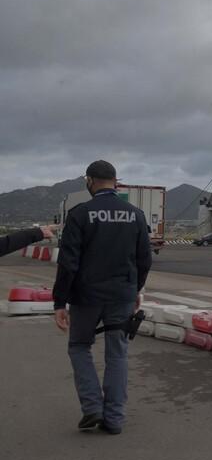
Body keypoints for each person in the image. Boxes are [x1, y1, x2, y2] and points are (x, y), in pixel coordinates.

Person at [53, 160, 152, 435]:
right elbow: (144, 259)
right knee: (117, 354)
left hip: (86, 296)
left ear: (90, 181)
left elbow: (68, 263)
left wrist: (60, 302)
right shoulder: (135, 214)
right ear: (115, 181)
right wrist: (136, 290)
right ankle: (114, 419)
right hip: (122, 295)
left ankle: (92, 407)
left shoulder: (80, 213)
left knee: (79, 346)